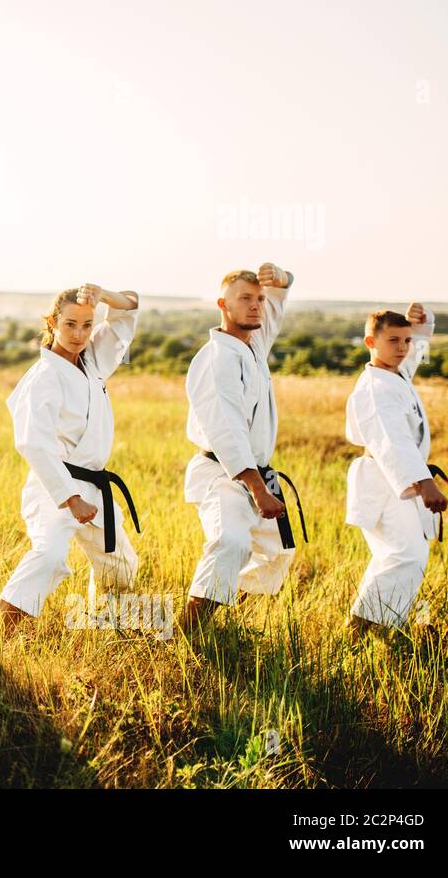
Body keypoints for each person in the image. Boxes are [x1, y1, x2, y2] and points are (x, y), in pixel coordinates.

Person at [0, 283, 141, 630]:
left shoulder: (93, 361)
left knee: (121, 563)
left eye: (87, 324)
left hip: (94, 484)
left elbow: (129, 309)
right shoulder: (44, 376)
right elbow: (32, 443)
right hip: (55, 486)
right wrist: (70, 498)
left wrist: (103, 296)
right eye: (70, 324)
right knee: (48, 557)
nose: (79, 334)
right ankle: (0, 638)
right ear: (52, 322)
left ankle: (103, 626)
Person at [179, 263, 307, 631]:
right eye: (245, 299)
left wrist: (283, 280)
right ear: (223, 304)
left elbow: (278, 304)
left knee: (278, 554)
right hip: (223, 472)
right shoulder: (218, 358)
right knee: (231, 542)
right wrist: (257, 488)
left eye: (260, 299)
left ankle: (228, 620)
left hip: (255, 473)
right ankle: (189, 631)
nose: (256, 306)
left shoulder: (252, 346)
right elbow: (226, 430)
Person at [345, 303, 448, 635]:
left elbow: (419, 350)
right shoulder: (375, 388)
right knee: (406, 554)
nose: (403, 348)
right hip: (385, 479)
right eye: (393, 340)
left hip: (398, 479)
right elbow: (393, 441)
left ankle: (366, 628)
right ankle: (367, 628)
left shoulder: (397, 373)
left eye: (406, 340)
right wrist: (424, 483)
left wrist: (424, 321)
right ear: (370, 342)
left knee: (398, 555)